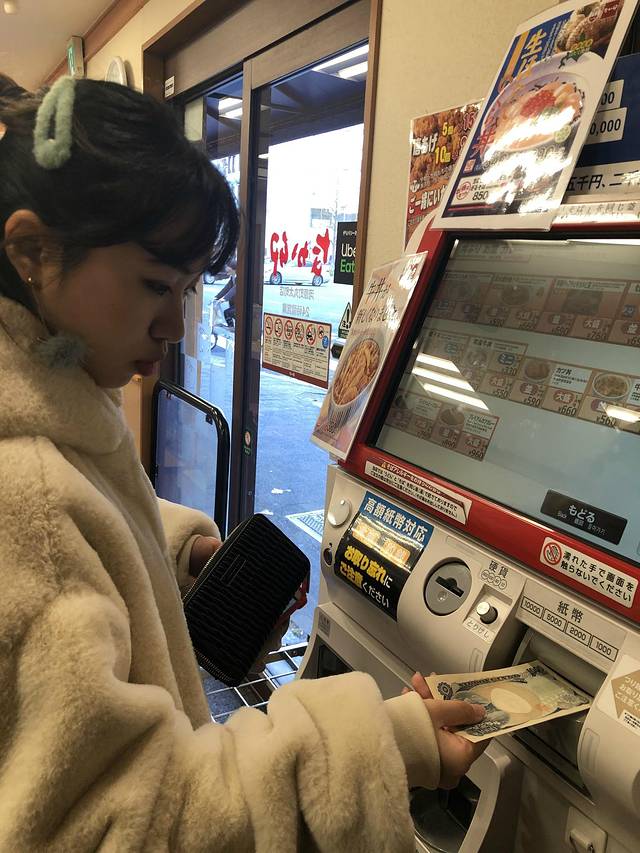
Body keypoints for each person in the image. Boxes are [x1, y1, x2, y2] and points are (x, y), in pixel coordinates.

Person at [0, 73, 486, 852]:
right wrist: (383, 744)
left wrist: (168, 554)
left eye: (189, 288)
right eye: (155, 284)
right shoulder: (29, 488)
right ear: (32, 250)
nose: (176, 324)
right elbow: (135, 823)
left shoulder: (50, 389)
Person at [214, 258, 237, 326]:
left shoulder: (239, 277)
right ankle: (232, 327)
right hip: (234, 303)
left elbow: (234, 289)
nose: (226, 269)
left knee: (228, 313)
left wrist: (224, 299)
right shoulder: (232, 277)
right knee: (228, 313)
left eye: (228, 267)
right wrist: (217, 297)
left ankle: (232, 328)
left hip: (242, 303)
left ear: (233, 269)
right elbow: (226, 288)